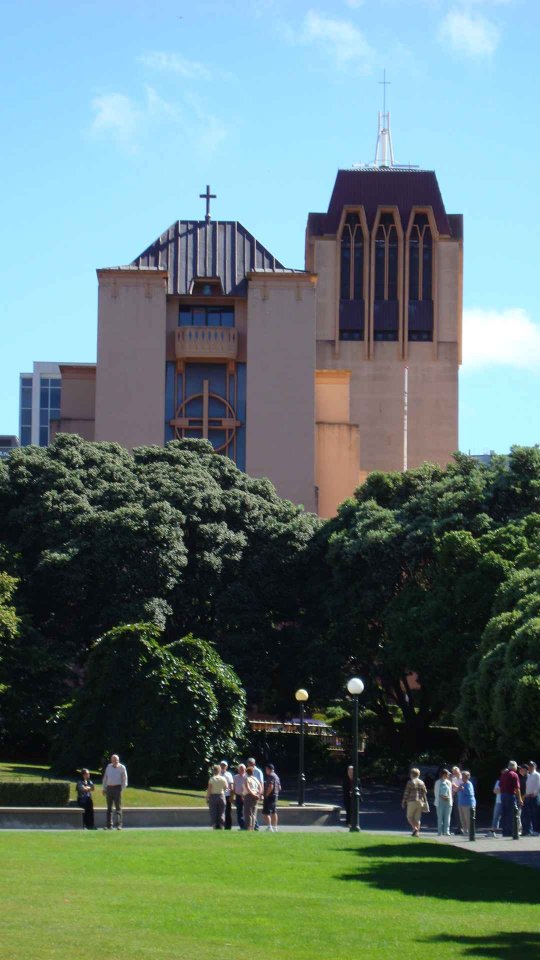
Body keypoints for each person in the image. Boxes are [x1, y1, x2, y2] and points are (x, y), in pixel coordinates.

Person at [102, 754, 128, 830]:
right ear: (111, 760)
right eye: (113, 760)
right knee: (109, 808)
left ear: (118, 760)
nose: (115, 761)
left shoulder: (122, 767)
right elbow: (105, 778)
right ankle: (109, 825)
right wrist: (104, 788)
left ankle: (119, 825)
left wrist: (122, 788)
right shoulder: (108, 767)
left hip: (117, 788)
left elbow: (125, 779)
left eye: (116, 760)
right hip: (109, 788)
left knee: (118, 807)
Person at [401, 767, 428, 837]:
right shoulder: (422, 782)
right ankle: (417, 833)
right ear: (418, 774)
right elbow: (425, 791)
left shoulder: (410, 782)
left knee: (409, 817)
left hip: (411, 801)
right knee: (417, 818)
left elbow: (406, 793)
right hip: (420, 802)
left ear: (412, 774)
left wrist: (403, 801)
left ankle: (415, 828)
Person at [499, 760, 523, 837]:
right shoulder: (514, 775)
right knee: (512, 814)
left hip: (503, 795)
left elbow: (500, 785)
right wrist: (520, 799)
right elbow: (517, 788)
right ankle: (511, 831)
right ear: (514, 767)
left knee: (505, 813)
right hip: (510, 795)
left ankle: (505, 832)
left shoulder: (503, 774)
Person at [206, 764, 228, 829]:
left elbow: (209, 790)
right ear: (220, 770)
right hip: (221, 795)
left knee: (213, 812)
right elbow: (226, 787)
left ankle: (214, 826)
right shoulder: (223, 778)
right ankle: (222, 826)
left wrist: (207, 797)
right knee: (222, 812)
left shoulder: (212, 779)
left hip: (213, 796)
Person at [522, 761, 540, 836]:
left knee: (536, 814)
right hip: (528, 797)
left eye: (532, 766)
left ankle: (536, 830)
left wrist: (535, 793)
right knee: (529, 814)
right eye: (529, 766)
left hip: (534, 797)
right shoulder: (528, 776)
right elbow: (527, 787)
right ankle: (530, 830)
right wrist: (526, 794)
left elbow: (538, 785)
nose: (530, 767)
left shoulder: (537, 775)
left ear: (535, 767)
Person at [243, 764, 263, 831]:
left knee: (248, 813)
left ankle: (249, 828)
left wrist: (253, 794)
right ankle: (253, 827)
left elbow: (247, 788)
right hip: (256, 796)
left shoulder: (247, 779)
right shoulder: (255, 779)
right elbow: (260, 788)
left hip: (249, 796)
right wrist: (258, 795)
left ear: (246, 772)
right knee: (254, 813)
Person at [433, 768, 452, 836]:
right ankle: (439, 831)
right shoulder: (438, 782)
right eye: (447, 774)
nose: (448, 776)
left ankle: (446, 831)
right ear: (444, 774)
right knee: (440, 817)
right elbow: (436, 792)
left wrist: (448, 798)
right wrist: (441, 797)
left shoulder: (449, 782)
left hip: (448, 802)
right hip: (440, 802)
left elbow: (450, 792)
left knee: (447, 817)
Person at [262, 763, 281, 832]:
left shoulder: (271, 776)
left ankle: (269, 827)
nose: (265, 771)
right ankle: (275, 827)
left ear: (269, 769)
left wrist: (266, 794)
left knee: (266, 812)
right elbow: (279, 787)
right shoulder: (277, 776)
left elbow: (271, 786)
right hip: (275, 796)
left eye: (266, 769)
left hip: (270, 796)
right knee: (274, 812)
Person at [457, 770, 476, 836]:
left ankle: (471, 833)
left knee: (468, 819)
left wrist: (463, 789)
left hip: (468, 804)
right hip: (461, 804)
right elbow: (458, 791)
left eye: (464, 776)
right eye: (462, 776)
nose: (462, 778)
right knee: (462, 819)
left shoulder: (469, 784)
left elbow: (470, 793)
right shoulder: (461, 784)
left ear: (468, 777)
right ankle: (465, 832)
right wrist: (459, 789)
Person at [219, 761, 234, 830]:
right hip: (219, 795)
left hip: (227, 795)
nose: (222, 766)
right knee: (219, 811)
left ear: (226, 766)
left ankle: (228, 827)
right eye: (221, 765)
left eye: (224, 765)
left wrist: (231, 796)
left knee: (228, 812)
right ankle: (219, 826)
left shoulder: (229, 774)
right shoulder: (217, 774)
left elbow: (231, 786)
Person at [489, 770, 505, 835]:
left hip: (507, 801)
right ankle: (493, 831)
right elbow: (495, 791)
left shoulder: (510, 780)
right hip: (499, 801)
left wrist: (501, 790)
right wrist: (504, 789)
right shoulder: (498, 781)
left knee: (509, 816)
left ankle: (510, 830)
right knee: (496, 816)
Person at [233, 763, 247, 829]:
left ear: (245, 769)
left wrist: (243, 795)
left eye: (243, 769)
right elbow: (234, 787)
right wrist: (233, 797)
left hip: (246, 796)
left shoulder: (247, 777)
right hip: (238, 796)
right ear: (238, 770)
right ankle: (242, 826)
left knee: (248, 812)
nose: (242, 770)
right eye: (240, 769)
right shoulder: (235, 777)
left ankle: (251, 826)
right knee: (239, 812)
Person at [450, 766, 463, 834]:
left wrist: (456, 787)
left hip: (462, 797)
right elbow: (452, 788)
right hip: (455, 796)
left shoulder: (462, 779)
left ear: (459, 771)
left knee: (461, 813)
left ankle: (463, 828)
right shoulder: (453, 779)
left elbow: (463, 788)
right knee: (456, 813)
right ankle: (459, 828)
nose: (454, 774)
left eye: (456, 772)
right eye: (453, 773)